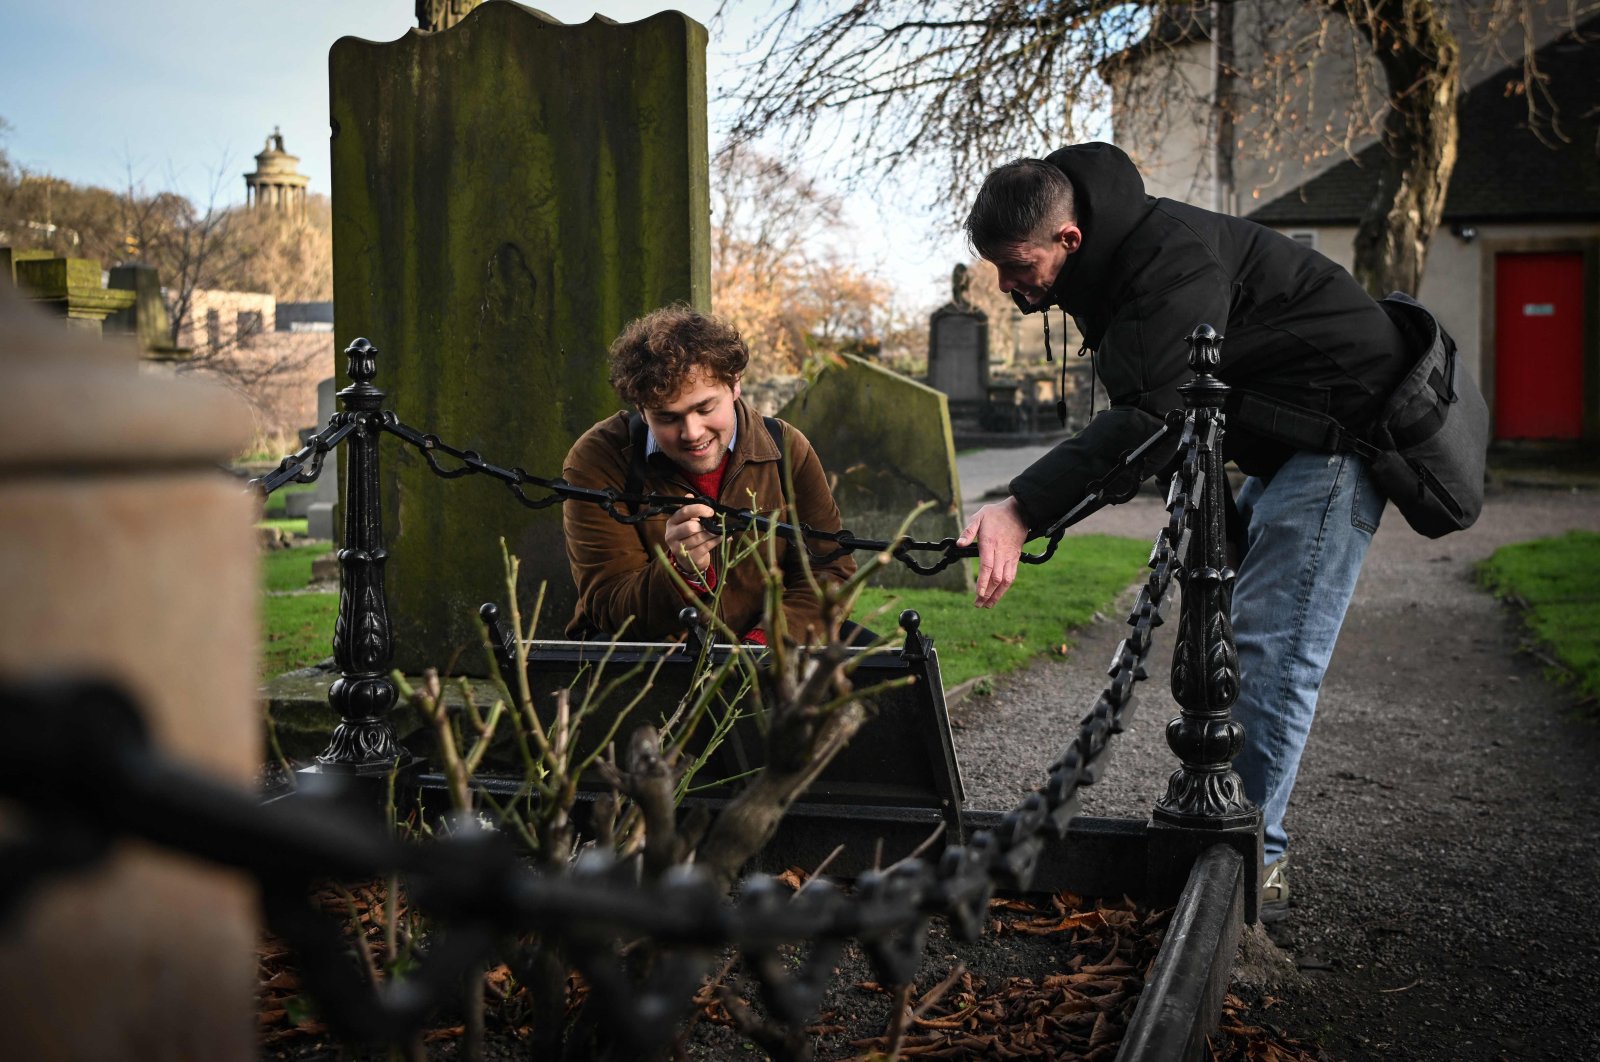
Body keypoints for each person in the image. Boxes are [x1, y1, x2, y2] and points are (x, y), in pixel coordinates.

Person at [956, 143, 1417, 921]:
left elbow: (1155, 417)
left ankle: (1252, 872)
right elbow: (1163, 410)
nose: (1005, 285)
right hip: (1274, 439)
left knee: (1274, 649)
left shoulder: (1167, 260)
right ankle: (1230, 845)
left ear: (1068, 239)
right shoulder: (1111, 263)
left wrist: (1021, 506)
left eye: (1014, 265)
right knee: (1234, 631)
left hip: (1340, 432)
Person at [563, 305, 856, 644]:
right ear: (641, 411)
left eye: (705, 408)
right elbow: (609, 606)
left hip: (769, 643)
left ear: (734, 386)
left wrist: (765, 646)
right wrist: (679, 572)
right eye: (667, 418)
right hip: (648, 659)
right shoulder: (599, 458)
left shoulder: (786, 449)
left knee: (900, 673)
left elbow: (831, 570)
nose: (691, 432)